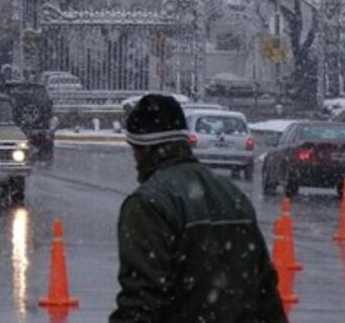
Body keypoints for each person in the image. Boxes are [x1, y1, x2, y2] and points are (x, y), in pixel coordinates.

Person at [109, 94, 286, 323]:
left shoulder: (148, 204)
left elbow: (141, 299)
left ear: (143, 149)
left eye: (134, 149)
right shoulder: (232, 195)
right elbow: (265, 289)